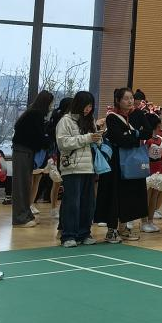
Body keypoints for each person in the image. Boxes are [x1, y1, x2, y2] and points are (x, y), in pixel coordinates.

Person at [97, 87, 151, 243]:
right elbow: (119, 139)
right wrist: (135, 136)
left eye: (131, 98)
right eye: (126, 98)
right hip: (116, 162)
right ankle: (111, 230)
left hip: (134, 161)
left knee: (132, 194)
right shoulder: (112, 117)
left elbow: (148, 132)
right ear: (118, 101)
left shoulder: (138, 114)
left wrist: (132, 134)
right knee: (114, 194)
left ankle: (124, 227)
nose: (130, 101)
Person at [55, 92, 103, 248]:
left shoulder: (90, 120)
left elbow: (93, 142)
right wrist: (87, 138)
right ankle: (68, 235)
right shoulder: (66, 121)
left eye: (90, 106)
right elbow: (63, 143)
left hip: (89, 167)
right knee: (72, 203)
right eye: (86, 106)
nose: (88, 109)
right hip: (72, 168)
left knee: (88, 203)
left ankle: (84, 233)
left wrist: (98, 139)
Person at [9, 90, 53, 228]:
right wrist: (48, 141)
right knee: (21, 186)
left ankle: (26, 215)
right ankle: (20, 218)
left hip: (25, 151)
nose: (51, 107)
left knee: (25, 185)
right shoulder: (35, 115)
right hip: (23, 151)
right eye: (51, 104)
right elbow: (38, 137)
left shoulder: (31, 113)